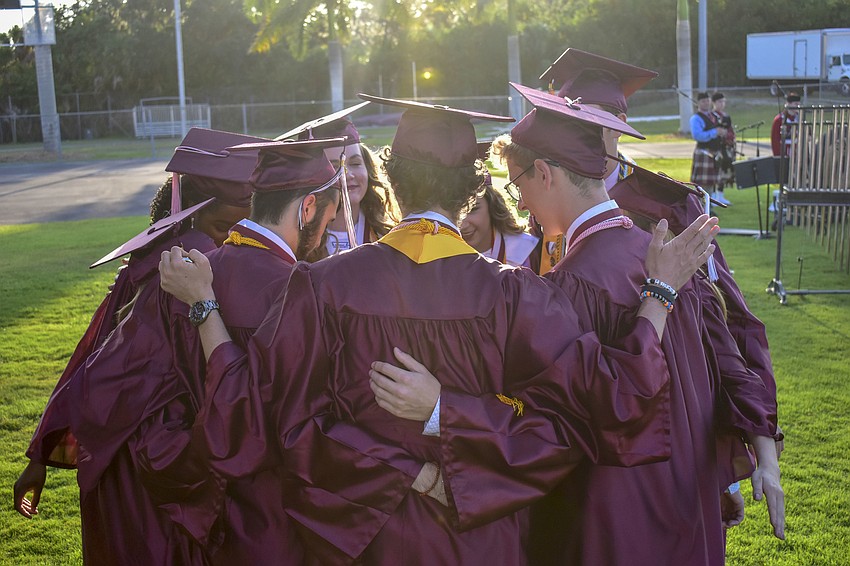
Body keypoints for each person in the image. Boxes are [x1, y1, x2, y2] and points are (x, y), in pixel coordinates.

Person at [159, 94, 719, 565]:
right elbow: (605, 407)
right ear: (473, 191)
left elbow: (268, 420)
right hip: (480, 538)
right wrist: (449, 417)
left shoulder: (321, 287)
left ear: (392, 181)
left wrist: (206, 310)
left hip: (360, 540)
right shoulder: (514, 294)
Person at [493, 83, 783, 565]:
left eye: (516, 183)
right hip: (687, 497)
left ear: (543, 173)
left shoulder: (573, 284)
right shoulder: (663, 258)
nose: (520, 203)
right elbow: (721, 366)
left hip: (615, 511)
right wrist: (753, 459)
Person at [60, 131, 344, 565]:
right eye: (330, 215)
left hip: (198, 516)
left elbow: (111, 389)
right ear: (308, 207)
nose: (330, 229)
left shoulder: (176, 279)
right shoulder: (301, 293)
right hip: (274, 520)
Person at [12, 127, 260, 555]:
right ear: (189, 212)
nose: (228, 238)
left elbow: (89, 356)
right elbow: (98, 358)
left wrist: (39, 457)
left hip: (126, 464)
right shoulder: (186, 275)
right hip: (159, 468)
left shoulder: (148, 264)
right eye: (223, 226)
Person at [535, 48, 658, 273]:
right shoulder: (547, 194)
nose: (572, 132)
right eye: (564, 120)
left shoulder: (658, 205)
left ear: (618, 124)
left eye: (586, 119)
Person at [460, 171, 540, 268]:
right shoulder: (441, 256)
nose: (463, 225)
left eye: (473, 209)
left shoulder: (524, 251)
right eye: (454, 212)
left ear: (491, 205)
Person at [690, 91, 731, 205]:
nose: (706, 103)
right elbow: (698, 136)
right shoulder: (696, 118)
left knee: (711, 183)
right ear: (698, 103)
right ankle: (699, 207)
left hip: (715, 153)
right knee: (702, 185)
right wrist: (715, 132)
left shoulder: (714, 116)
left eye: (708, 100)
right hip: (703, 153)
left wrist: (722, 132)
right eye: (703, 101)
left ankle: (708, 208)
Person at [711, 91, 736, 191]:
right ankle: (714, 194)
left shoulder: (726, 116)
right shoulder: (711, 116)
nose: (722, 104)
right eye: (719, 102)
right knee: (717, 170)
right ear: (714, 103)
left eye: (723, 102)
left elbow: (731, 132)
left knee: (726, 169)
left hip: (726, 147)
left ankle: (721, 193)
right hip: (716, 148)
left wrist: (727, 135)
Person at [771, 92, 801, 157]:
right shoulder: (779, 120)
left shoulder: (799, 119)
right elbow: (775, 141)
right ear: (788, 104)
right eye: (795, 104)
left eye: (799, 104)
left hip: (797, 154)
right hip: (784, 154)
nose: (798, 107)